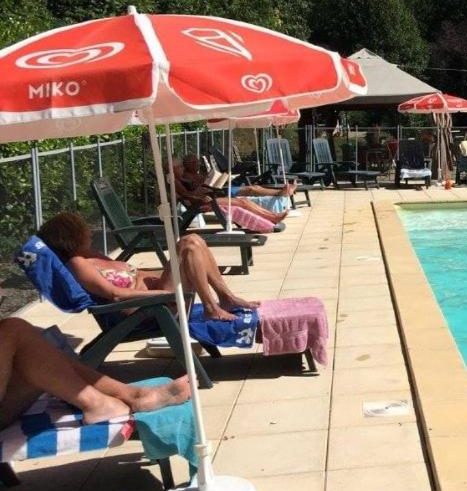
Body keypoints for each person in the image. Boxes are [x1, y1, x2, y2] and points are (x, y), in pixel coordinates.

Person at [38, 212, 258, 322]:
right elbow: (114, 294)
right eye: (82, 228)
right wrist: (161, 292)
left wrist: (176, 271)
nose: (88, 230)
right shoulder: (78, 264)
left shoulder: (89, 255)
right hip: (151, 307)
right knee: (188, 244)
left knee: (194, 241)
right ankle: (212, 307)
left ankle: (225, 297)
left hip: (158, 295)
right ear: (70, 236)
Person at [0, 317, 191, 427]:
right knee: (12, 330)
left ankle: (132, 395)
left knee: (34, 350)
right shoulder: (79, 263)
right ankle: (99, 403)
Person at [174, 158, 288, 226]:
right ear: (172, 169)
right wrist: (200, 197)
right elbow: (185, 195)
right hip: (203, 202)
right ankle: (272, 217)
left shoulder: (181, 179)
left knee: (243, 201)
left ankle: (272, 216)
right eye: (179, 167)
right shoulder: (175, 181)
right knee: (243, 203)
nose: (182, 168)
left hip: (207, 198)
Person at [183, 154, 295, 199]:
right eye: (195, 162)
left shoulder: (196, 174)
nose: (198, 164)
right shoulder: (187, 176)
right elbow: (194, 191)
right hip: (217, 193)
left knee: (254, 186)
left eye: (197, 162)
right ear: (188, 164)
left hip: (220, 189)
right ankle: (280, 193)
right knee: (252, 189)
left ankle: (280, 192)